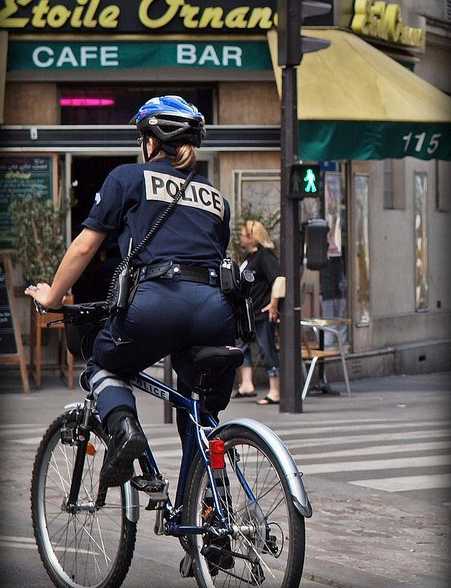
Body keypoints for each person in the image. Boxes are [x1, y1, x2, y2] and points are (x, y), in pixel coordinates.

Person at [25, 95, 236, 488]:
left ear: (151, 142)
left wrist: (52, 297)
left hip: (157, 301)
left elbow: (85, 246)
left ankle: (125, 432)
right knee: (200, 410)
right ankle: (209, 517)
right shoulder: (217, 200)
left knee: (104, 364)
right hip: (215, 311)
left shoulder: (127, 178)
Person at [235, 220, 285, 405]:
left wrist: (273, 304)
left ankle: (275, 391)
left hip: (261, 313)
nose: (240, 237)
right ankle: (246, 384)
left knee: (267, 349)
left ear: (252, 237)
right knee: (242, 347)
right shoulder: (249, 258)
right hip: (247, 313)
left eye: (243, 234)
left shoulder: (265, 256)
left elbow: (279, 279)